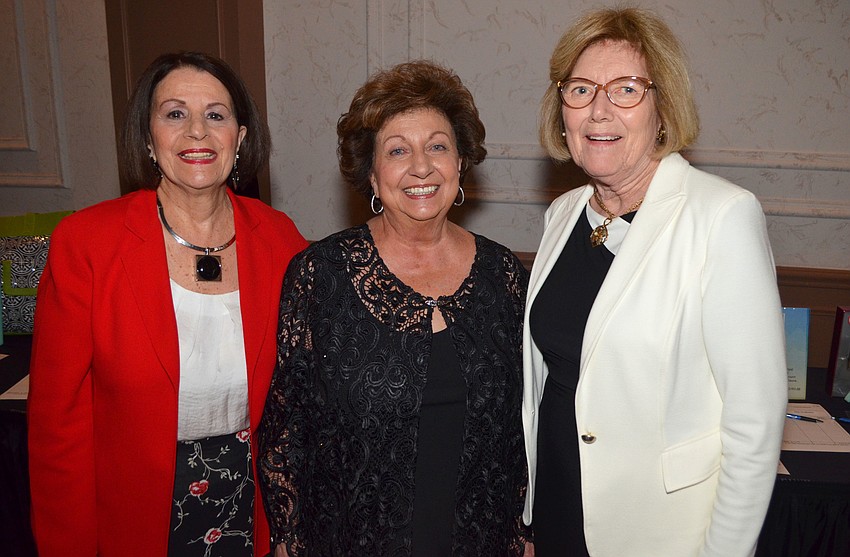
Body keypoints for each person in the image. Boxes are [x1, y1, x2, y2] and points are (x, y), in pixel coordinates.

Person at [522, 7, 787, 556]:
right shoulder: (564, 213)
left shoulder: (722, 216)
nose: (598, 110)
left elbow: (754, 426)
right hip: (556, 507)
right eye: (580, 89)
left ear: (662, 108)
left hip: (660, 531)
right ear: (560, 108)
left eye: (625, 89)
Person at [27, 52, 308, 556]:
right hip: (132, 516)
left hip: (254, 507)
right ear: (147, 139)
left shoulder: (281, 240)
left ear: (240, 139)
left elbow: (309, 398)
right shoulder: (88, 242)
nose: (197, 132)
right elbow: (56, 426)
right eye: (175, 113)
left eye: (216, 115)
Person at [258, 60, 531, 556]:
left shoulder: (504, 276)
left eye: (438, 146)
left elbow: (524, 430)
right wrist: (289, 543)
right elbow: (286, 430)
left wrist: (524, 533)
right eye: (398, 150)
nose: (421, 166)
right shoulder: (321, 275)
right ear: (371, 174)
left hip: (481, 541)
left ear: (461, 162)